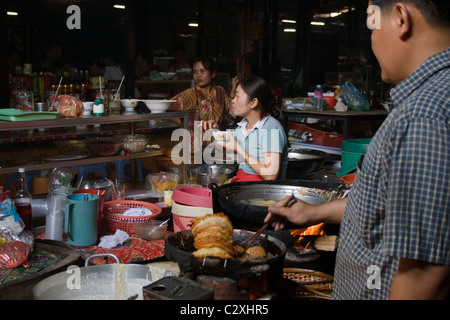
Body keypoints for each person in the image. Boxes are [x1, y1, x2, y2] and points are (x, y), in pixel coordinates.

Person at [265, 0, 450, 300]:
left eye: (371, 25)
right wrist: (313, 212)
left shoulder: (422, 116)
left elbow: (425, 274)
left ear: (402, 19)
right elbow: (389, 207)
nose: (371, 40)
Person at [204, 76, 288, 182]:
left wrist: (239, 149)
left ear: (253, 102)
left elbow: (270, 175)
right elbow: (222, 151)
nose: (232, 101)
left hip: (265, 191)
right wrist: (214, 131)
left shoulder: (271, 129)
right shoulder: (242, 127)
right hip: (244, 183)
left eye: (237, 97)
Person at [169, 57, 234, 130]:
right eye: (195, 72)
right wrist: (187, 124)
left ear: (213, 74)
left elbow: (229, 114)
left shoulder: (220, 91)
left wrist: (233, 92)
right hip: (195, 139)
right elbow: (166, 110)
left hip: (217, 139)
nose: (198, 75)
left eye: (202, 71)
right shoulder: (189, 95)